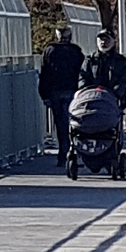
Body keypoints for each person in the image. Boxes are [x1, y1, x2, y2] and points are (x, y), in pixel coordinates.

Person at [36, 25, 84, 168]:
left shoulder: (50, 50)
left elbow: (44, 73)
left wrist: (44, 94)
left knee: (60, 123)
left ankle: (63, 154)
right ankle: (74, 152)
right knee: (74, 123)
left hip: (55, 92)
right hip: (73, 91)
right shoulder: (76, 51)